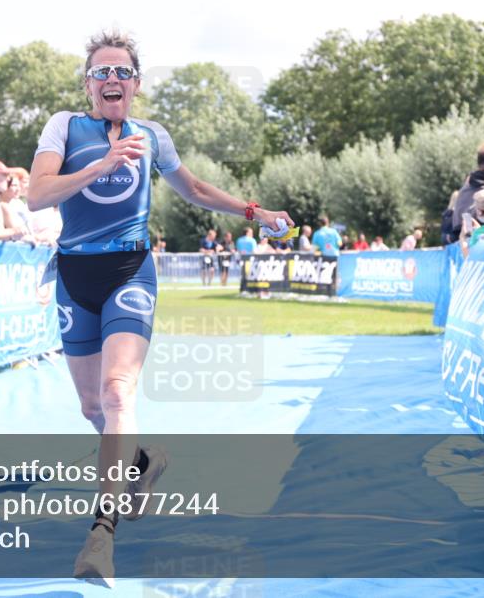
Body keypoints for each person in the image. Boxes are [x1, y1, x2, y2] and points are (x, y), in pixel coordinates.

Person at [27, 29, 291, 586]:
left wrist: (253, 210)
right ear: (88, 84)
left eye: (122, 72)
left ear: (137, 85)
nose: (112, 80)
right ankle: (144, 462)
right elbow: (38, 194)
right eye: (102, 72)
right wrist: (100, 166)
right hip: (75, 274)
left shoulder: (152, 136)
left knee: (117, 391)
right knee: (92, 410)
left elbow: (192, 187)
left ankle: (101, 535)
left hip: (129, 269)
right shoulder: (64, 127)